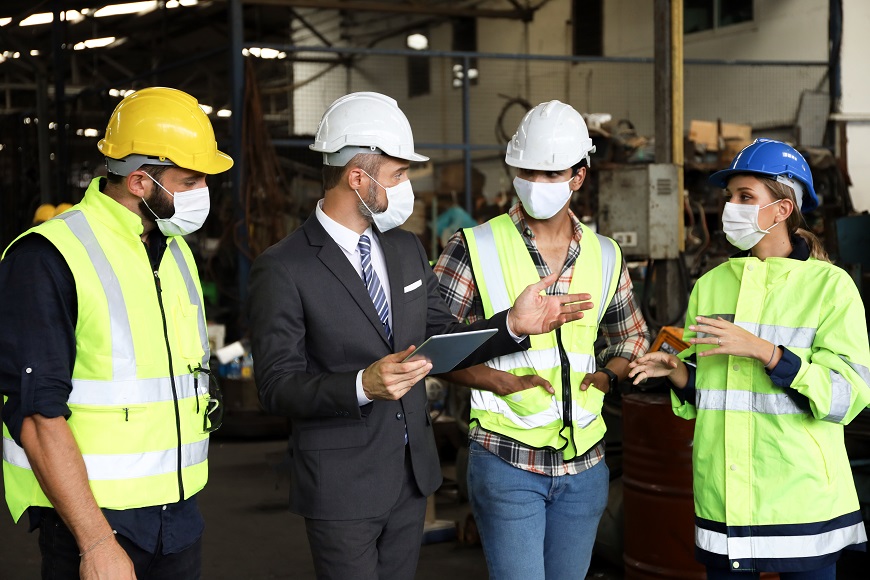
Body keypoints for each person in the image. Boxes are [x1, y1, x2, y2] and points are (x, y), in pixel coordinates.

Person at [246, 91, 594, 580]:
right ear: (358, 178)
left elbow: (443, 337)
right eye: (399, 175)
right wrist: (361, 385)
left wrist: (512, 325)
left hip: (411, 477)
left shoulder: (405, 249)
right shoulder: (284, 267)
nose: (408, 187)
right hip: (342, 485)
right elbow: (276, 385)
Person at [0, 87, 232, 579]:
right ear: (141, 181)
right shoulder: (48, 257)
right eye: (190, 180)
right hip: (95, 525)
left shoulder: (176, 253)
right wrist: (96, 543)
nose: (201, 193)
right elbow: (37, 416)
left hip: (179, 517)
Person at [628, 139, 870, 579]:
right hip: (724, 499)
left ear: (781, 209)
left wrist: (766, 352)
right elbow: (722, 395)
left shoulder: (831, 287)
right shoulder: (712, 284)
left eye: (746, 198)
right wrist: (680, 373)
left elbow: (846, 396)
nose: (730, 209)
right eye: (729, 198)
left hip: (802, 500)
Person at [433, 100, 651, 579]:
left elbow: (632, 338)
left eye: (551, 174)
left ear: (579, 177)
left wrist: (608, 376)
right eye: (527, 170)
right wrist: (496, 381)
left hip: (586, 467)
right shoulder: (474, 247)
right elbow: (430, 349)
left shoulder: (605, 255)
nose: (537, 183)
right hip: (506, 459)